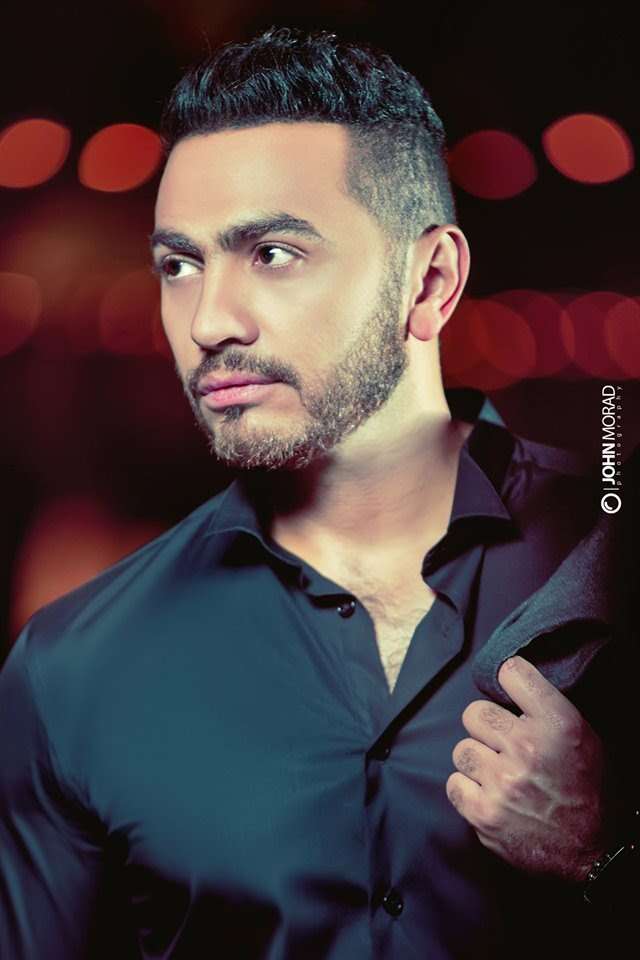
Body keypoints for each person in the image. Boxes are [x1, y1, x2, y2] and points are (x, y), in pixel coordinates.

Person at [0, 26, 636, 960]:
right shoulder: (72, 667)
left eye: (272, 253)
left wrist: (608, 854)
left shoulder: (612, 564)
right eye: (179, 265)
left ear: (430, 281)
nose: (208, 322)